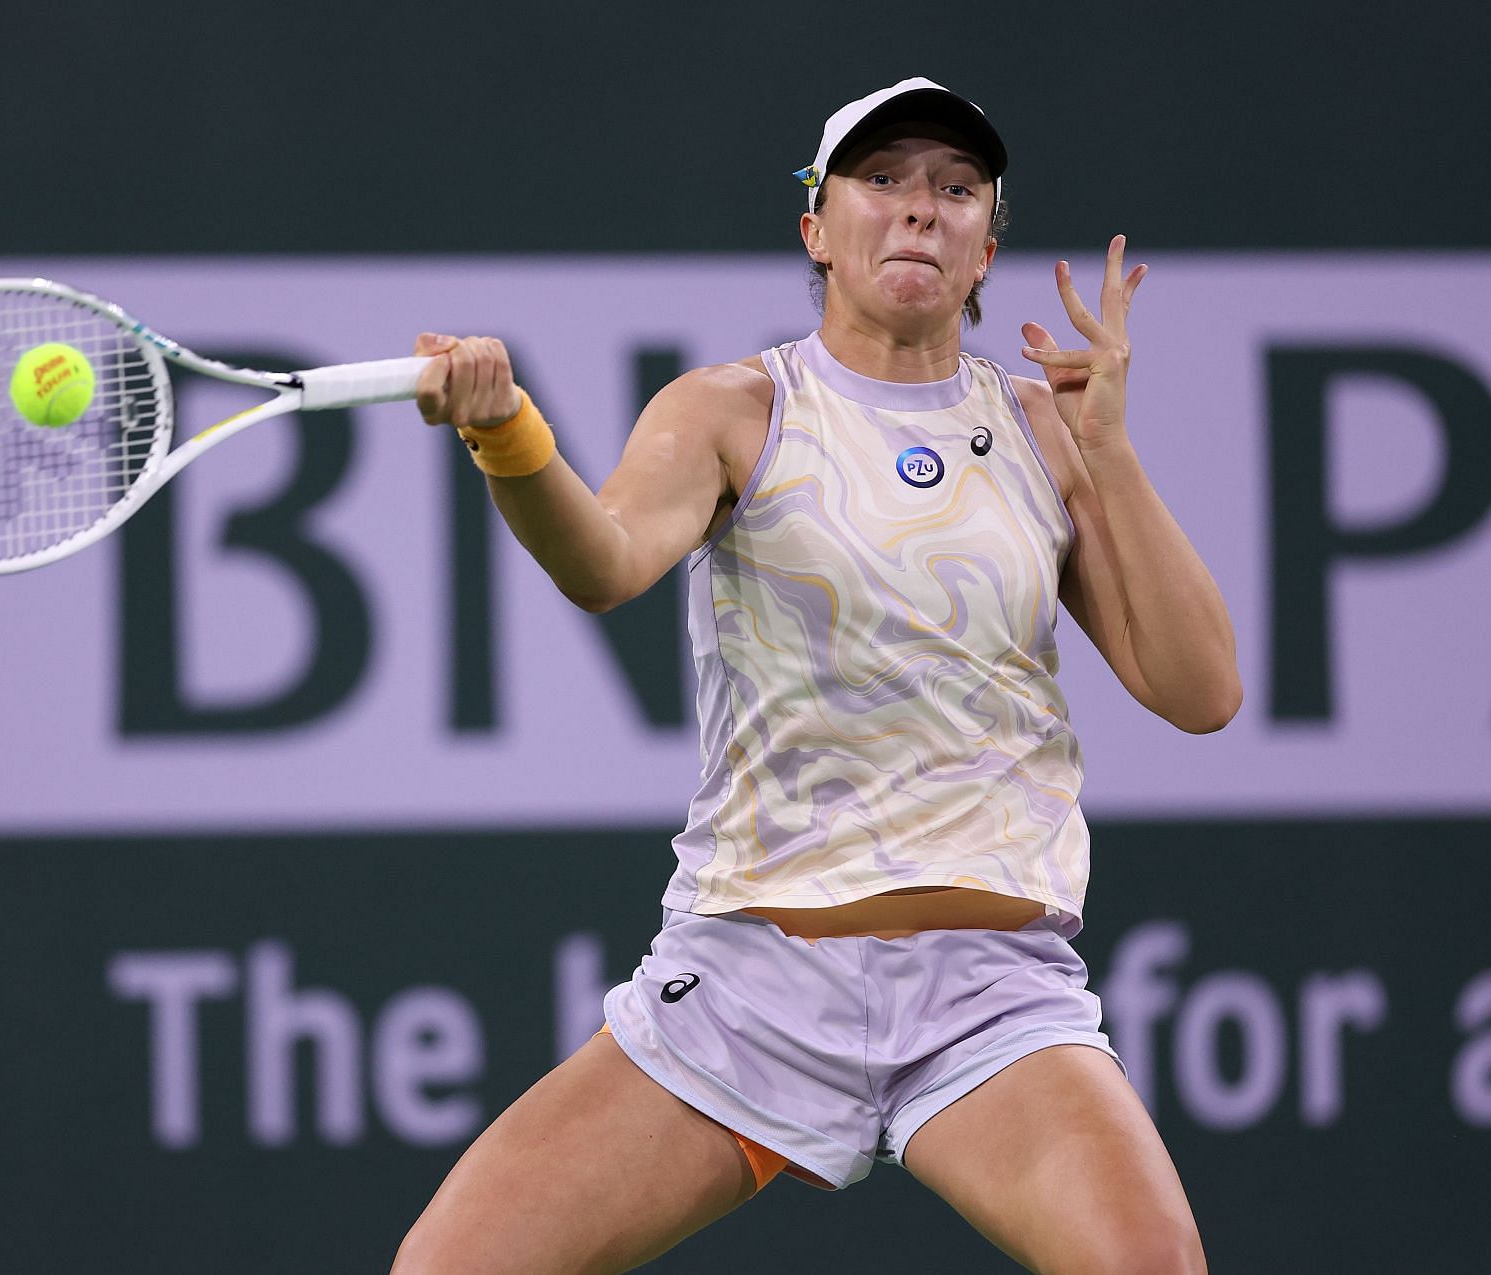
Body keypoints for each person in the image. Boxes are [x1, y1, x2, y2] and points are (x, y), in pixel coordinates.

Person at [393, 77, 1236, 1275]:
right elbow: (605, 564)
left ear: (987, 242)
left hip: (990, 998)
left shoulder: (1045, 432)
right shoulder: (735, 410)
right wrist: (509, 434)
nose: (918, 211)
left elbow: (1201, 694)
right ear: (817, 230)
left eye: (954, 189)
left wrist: (1108, 449)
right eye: (881, 181)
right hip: (752, 987)